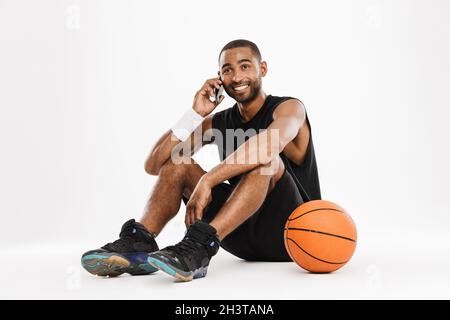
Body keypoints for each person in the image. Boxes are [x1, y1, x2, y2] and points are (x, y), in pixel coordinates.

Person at [81, 39, 321, 282]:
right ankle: (140, 243)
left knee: (267, 161)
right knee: (177, 161)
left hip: (292, 235)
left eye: (245, 66)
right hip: (237, 234)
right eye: (228, 70)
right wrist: (195, 114)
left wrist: (208, 180)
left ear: (263, 69)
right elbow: (154, 164)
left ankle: (201, 245)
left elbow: (269, 144)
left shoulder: (289, 108)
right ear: (219, 77)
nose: (237, 77)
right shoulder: (218, 122)